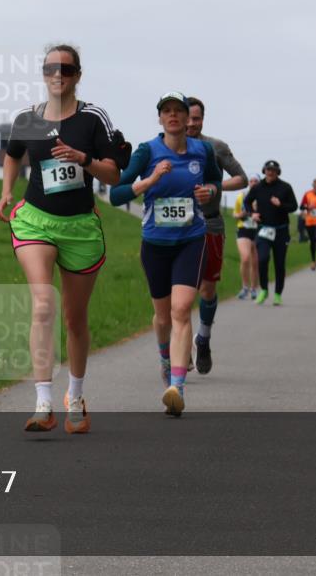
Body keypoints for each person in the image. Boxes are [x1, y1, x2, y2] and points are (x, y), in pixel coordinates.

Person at [0, 44, 120, 433]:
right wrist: (6, 191)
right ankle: (43, 402)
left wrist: (83, 159)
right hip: (36, 221)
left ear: (77, 75)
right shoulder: (27, 118)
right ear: (43, 72)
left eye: (66, 68)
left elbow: (114, 175)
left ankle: (76, 396)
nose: (58, 73)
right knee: (43, 305)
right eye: (51, 67)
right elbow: (13, 154)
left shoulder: (94, 118)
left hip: (80, 226)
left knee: (74, 318)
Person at [110, 91, 221, 416]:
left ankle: (177, 387)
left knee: (182, 310)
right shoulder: (147, 151)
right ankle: (164, 356)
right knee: (161, 317)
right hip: (155, 244)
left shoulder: (203, 151)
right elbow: (116, 193)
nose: (173, 116)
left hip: (192, 239)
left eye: (179, 111)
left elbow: (215, 182)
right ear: (160, 118)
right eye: (167, 111)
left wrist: (209, 192)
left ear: (188, 119)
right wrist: (150, 180)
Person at [183, 97, 247, 375]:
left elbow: (241, 178)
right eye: (187, 118)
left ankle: (203, 338)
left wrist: (215, 187)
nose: (191, 124)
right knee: (180, 292)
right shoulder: (162, 148)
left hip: (210, 225)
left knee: (207, 290)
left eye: (196, 119)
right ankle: (181, 349)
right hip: (175, 227)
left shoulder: (215, 147)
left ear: (202, 120)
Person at [244, 160, 298, 305]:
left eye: (273, 170)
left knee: (279, 264)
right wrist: (252, 214)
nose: (270, 172)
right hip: (263, 229)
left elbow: (294, 206)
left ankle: (278, 294)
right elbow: (247, 202)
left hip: (281, 230)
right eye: (268, 169)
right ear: (264, 171)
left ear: (278, 172)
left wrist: (281, 205)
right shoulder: (257, 187)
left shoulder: (285, 187)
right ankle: (264, 289)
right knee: (262, 259)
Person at [233, 174, 261, 299]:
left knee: (255, 262)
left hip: (258, 230)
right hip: (243, 229)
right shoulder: (242, 196)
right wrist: (243, 213)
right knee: (245, 258)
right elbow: (235, 214)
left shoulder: (263, 196)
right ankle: (245, 287)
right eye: (251, 181)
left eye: (256, 181)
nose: (253, 183)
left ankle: (254, 288)